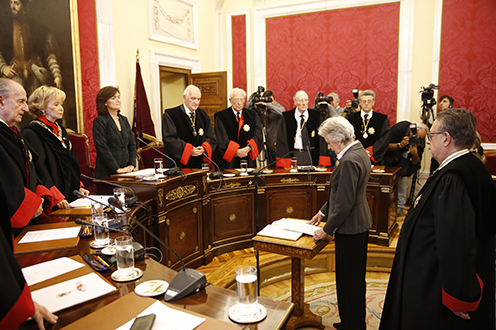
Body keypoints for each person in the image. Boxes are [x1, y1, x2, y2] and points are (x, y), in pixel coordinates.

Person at [380, 109, 496, 330]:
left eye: (431, 135)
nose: (429, 141)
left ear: (446, 138)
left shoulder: (453, 178)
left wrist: (459, 295)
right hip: (432, 274)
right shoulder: (469, 168)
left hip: (433, 284)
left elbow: (457, 241)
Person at [309, 116, 372, 330]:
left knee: (350, 281)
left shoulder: (348, 161)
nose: (328, 146)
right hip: (356, 224)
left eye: (328, 141)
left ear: (339, 139)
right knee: (351, 279)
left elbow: (345, 202)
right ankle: (351, 321)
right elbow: (341, 193)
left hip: (351, 227)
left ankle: (353, 325)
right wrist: (322, 212)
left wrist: (326, 230)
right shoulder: (358, 151)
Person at [0, 78, 55, 233]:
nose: (25, 108)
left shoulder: (13, 132)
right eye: (20, 101)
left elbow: (30, 166)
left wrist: (39, 195)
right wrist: (30, 204)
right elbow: (6, 179)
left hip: (31, 217)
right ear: (1, 101)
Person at [21, 86, 89, 209]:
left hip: (69, 192)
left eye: (61, 104)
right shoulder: (32, 132)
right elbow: (39, 168)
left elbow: (70, 159)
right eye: (56, 104)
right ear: (42, 107)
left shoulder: (59, 129)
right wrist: (53, 194)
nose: (61, 108)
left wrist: (78, 185)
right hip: (53, 196)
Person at [0, 0, 63, 94]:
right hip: (14, 71)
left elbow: (51, 55)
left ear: (24, 6)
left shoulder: (39, 29)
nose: (13, 6)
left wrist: (57, 76)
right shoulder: (4, 28)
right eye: (11, 3)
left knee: (38, 100)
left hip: (34, 72)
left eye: (16, 3)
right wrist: (3, 67)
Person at [162, 85, 217, 169]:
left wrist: (204, 148)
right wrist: (189, 150)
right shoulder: (170, 115)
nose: (196, 102)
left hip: (199, 162)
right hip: (179, 164)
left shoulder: (203, 115)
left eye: (198, 99)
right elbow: (170, 139)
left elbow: (211, 137)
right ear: (184, 97)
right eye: (193, 98)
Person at [384, 121, 428, 216]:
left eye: (420, 138)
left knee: (402, 179)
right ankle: (386, 205)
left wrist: (415, 154)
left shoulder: (420, 141)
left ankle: (400, 206)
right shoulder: (401, 128)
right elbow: (384, 146)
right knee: (387, 181)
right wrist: (400, 145)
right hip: (391, 154)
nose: (416, 139)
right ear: (412, 130)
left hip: (405, 157)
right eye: (415, 136)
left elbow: (416, 162)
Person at [93, 86, 136, 178]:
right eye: (113, 98)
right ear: (105, 102)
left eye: (118, 97)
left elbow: (132, 144)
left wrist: (131, 165)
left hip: (127, 171)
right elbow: (102, 148)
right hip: (107, 173)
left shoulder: (123, 119)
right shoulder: (100, 121)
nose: (118, 100)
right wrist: (117, 169)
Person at [214, 88, 262, 170]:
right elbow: (221, 138)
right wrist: (236, 151)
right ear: (230, 100)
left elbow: (258, 135)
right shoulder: (221, 116)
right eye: (236, 100)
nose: (239, 103)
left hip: (248, 157)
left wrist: (248, 148)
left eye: (241, 99)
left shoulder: (253, 115)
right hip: (229, 161)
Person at [275, 90, 320, 166]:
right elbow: (281, 140)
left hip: (311, 155)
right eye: (301, 100)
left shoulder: (316, 115)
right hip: (294, 154)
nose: (304, 103)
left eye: (306, 100)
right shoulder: (286, 117)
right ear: (295, 102)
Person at [346, 90, 390, 165]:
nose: (366, 104)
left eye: (369, 101)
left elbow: (384, 139)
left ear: (373, 103)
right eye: (364, 101)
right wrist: (359, 152)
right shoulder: (351, 118)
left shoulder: (382, 119)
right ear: (360, 103)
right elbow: (348, 137)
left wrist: (371, 151)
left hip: (374, 157)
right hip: (355, 157)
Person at [430, 95, 455, 174]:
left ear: (450, 105)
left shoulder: (453, 117)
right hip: (437, 146)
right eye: (440, 101)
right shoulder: (438, 117)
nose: (441, 103)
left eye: (445, 101)